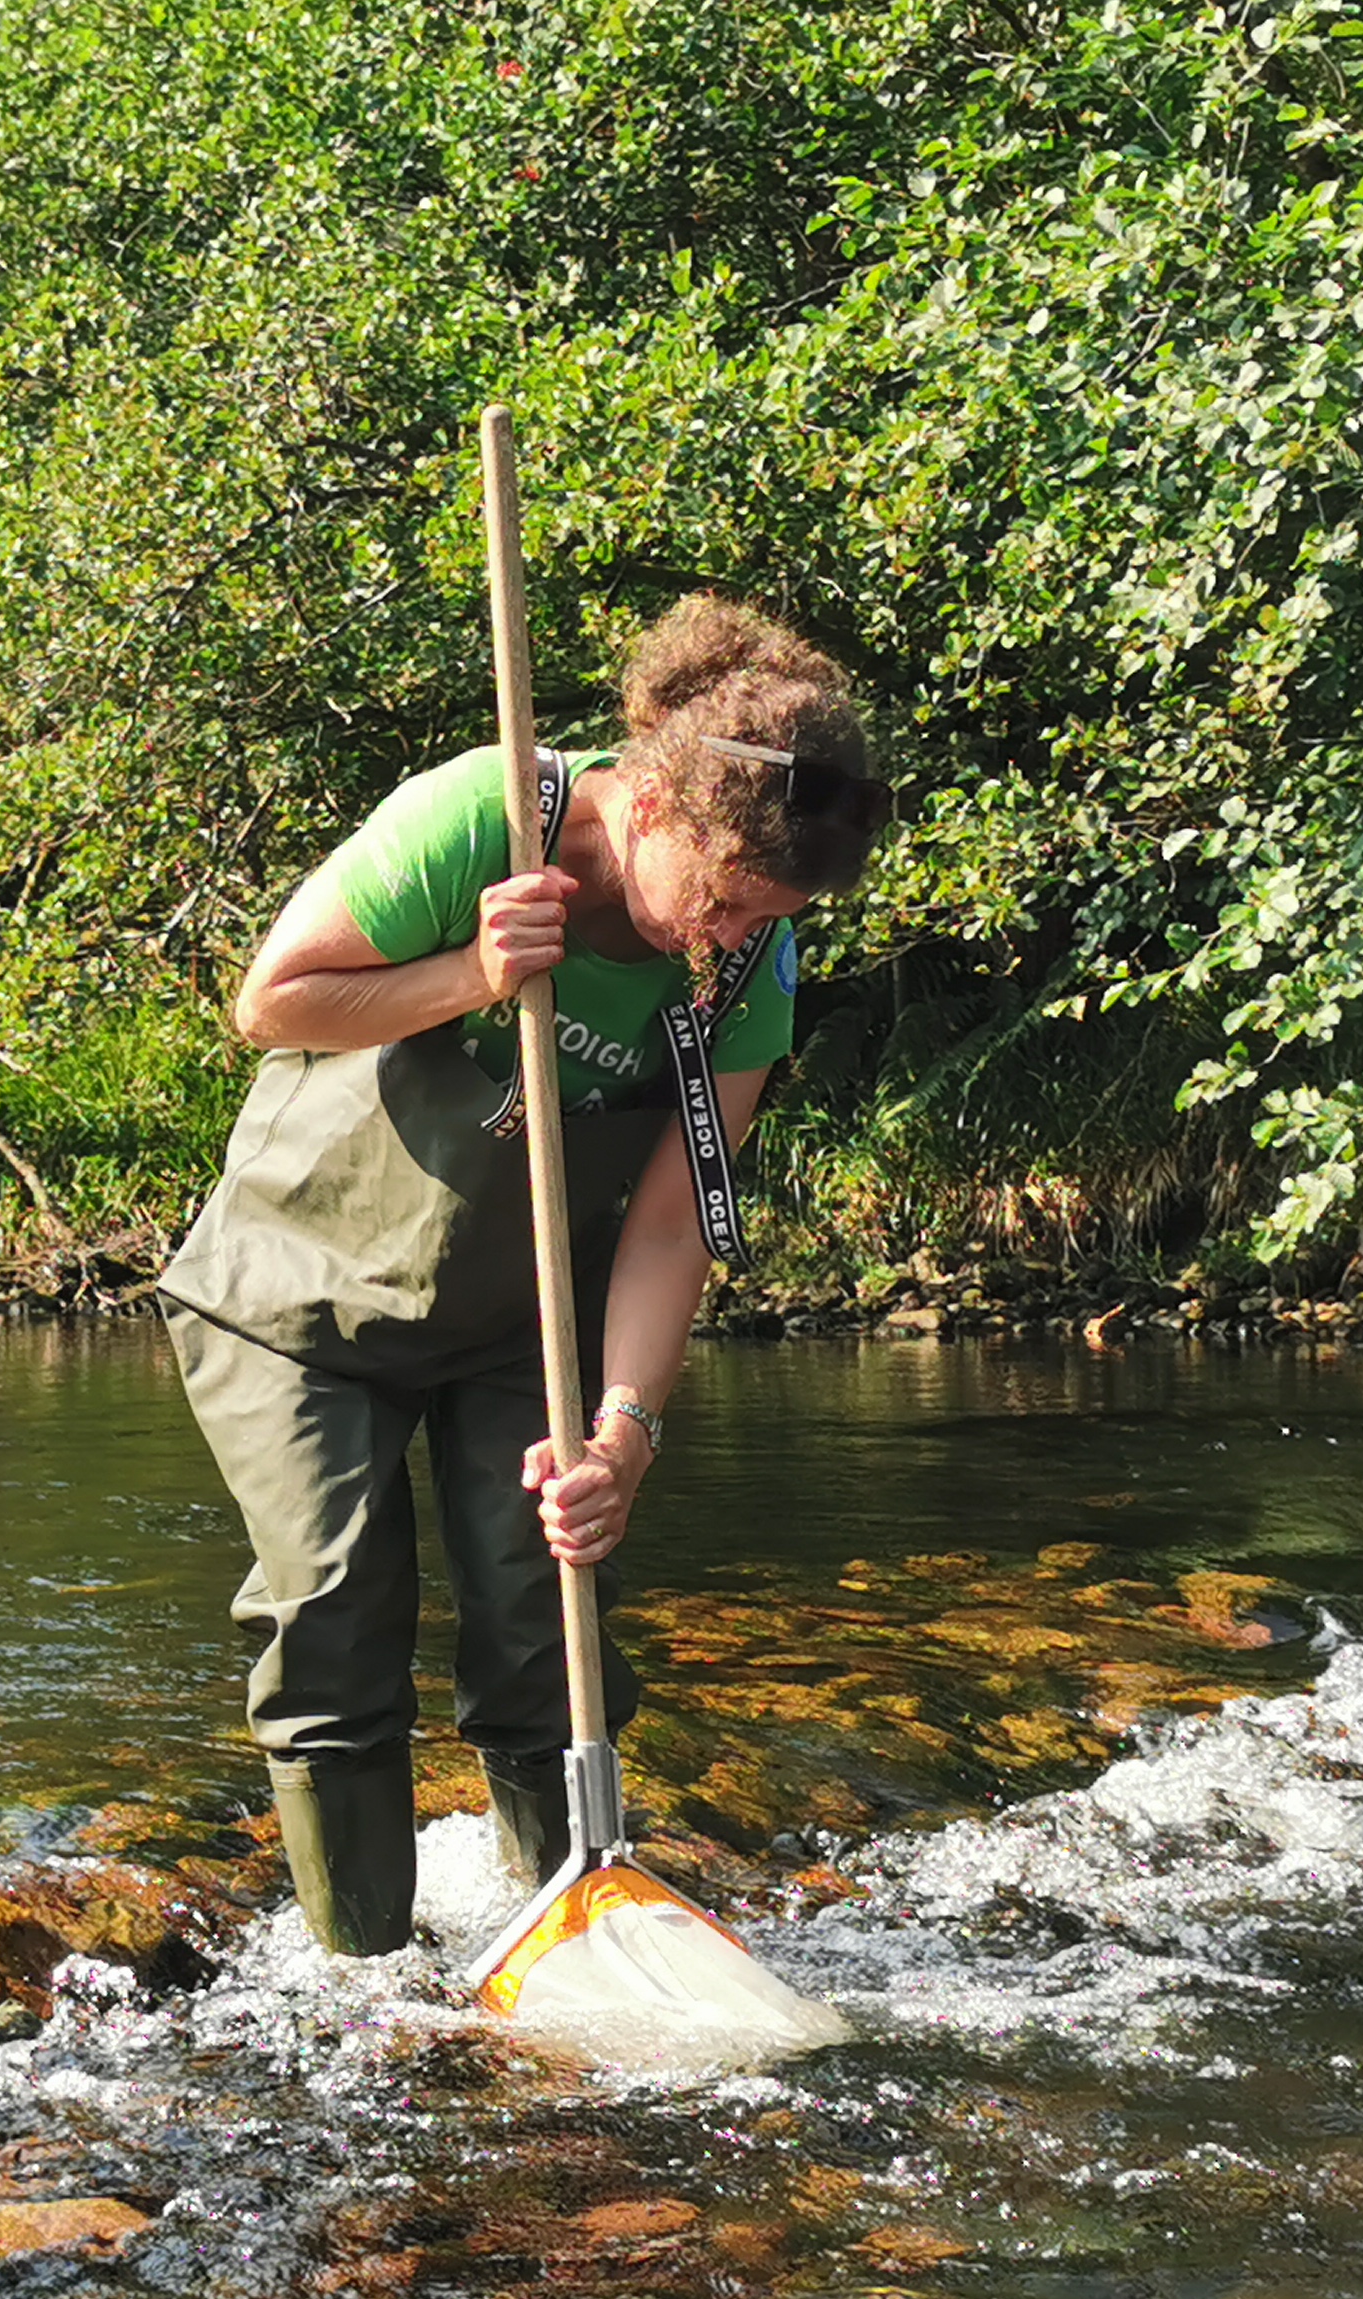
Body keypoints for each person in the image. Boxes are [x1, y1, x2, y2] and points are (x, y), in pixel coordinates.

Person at [157, 594, 892, 1955]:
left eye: (766, 920)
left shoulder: (750, 967)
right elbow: (274, 1001)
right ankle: (362, 1971)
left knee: (543, 1614)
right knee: (333, 1611)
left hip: (518, 1322)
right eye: (724, 902)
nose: (735, 936)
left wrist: (624, 1435)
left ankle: (570, 1933)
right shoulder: (490, 814)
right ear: (660, 808)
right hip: (295, 1298)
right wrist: (469, 973)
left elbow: (675, 1224)